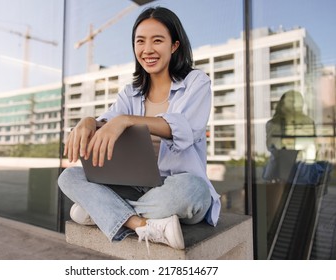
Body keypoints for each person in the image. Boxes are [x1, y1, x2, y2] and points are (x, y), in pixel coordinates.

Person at [58, 6, 221, 251]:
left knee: (193, 189)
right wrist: (88, 122)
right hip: (137, 186)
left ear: (174, 45)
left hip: (176, 188)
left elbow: (186, 130)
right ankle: (140, 223)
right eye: (140, 41)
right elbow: (106, 123)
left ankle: (103, 212)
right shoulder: (130, 93)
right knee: (69, 177)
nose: (147, 50)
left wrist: (128, 120)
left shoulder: (196, 82)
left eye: (158, 41)